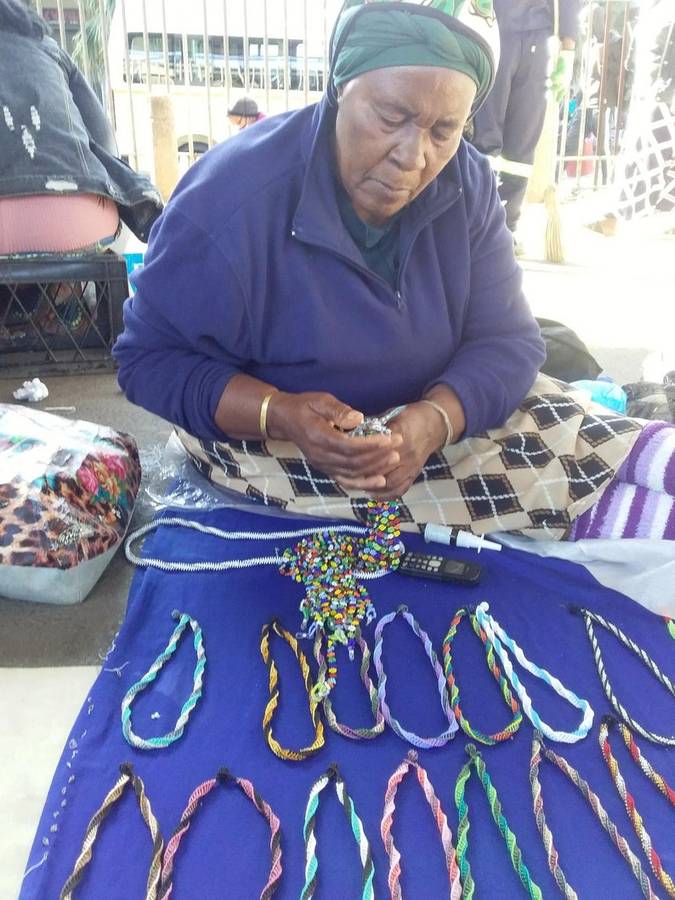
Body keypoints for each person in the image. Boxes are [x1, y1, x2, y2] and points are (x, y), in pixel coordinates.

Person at [114, 0, 673, 542]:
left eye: (443, 130)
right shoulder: (228, 202)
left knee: (592, 432)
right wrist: (281, 413)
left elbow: (510, 341)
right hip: (273, 444)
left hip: (435, 424)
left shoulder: (468, 183)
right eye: (391, 118)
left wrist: (434, 420)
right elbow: (148, 360)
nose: (414, 157)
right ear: (338, 88)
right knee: (523, 487)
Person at [0, 0, 162, 258]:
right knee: (102, 247)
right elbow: (106, 141)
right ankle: (75, 295)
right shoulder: (47, 49)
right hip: (82, 220)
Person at [471, 0, 581, 235]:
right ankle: (474, 223)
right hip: (490, 26)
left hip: (538, 36)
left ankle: (507, 227)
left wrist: (568, 50)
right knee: (484, 139)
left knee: (522, 145)